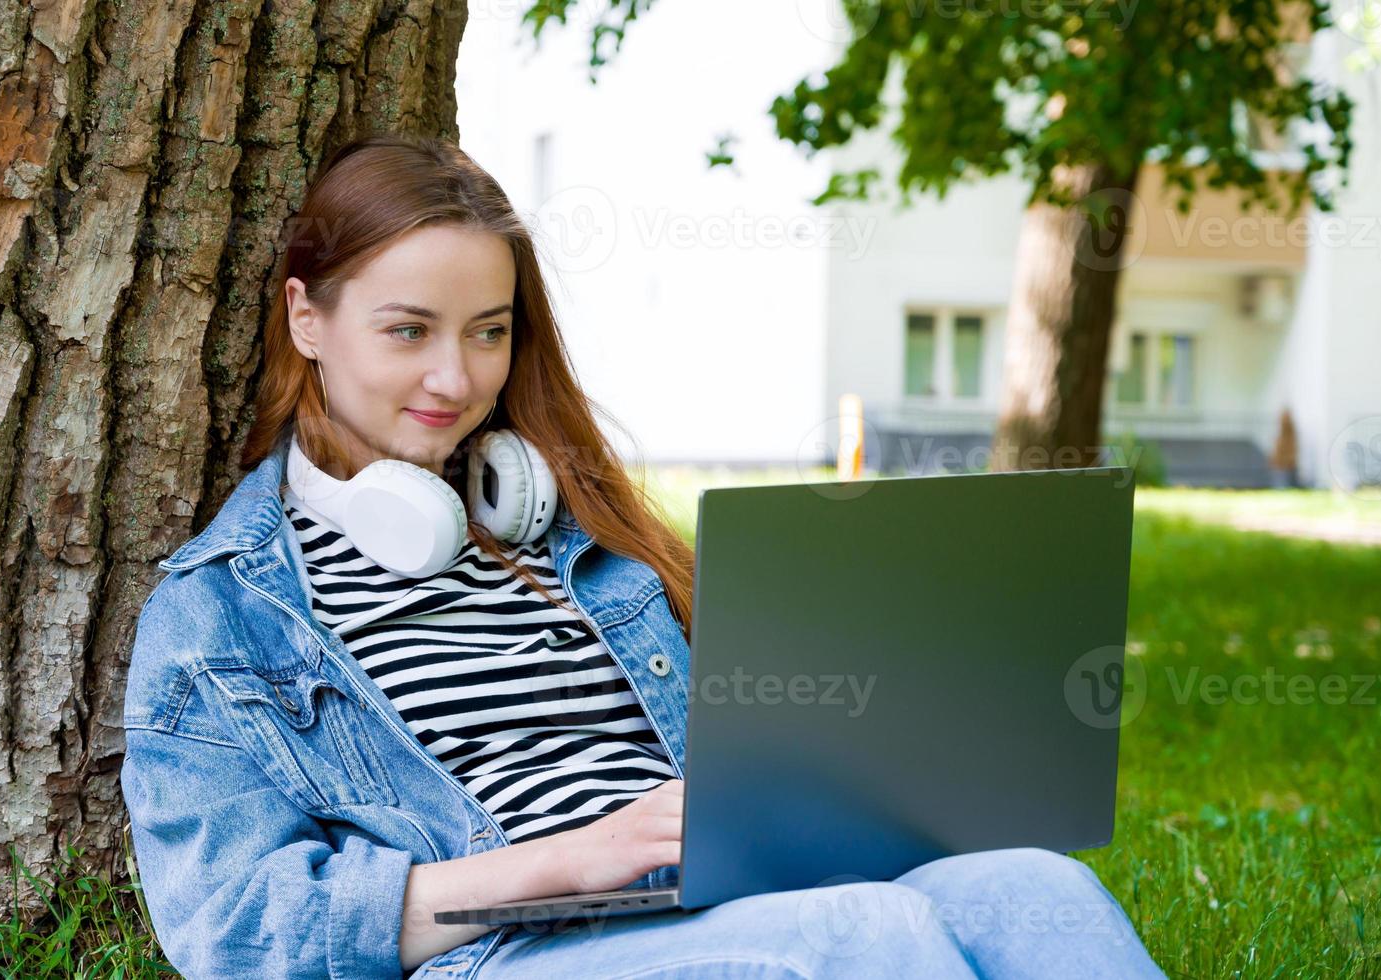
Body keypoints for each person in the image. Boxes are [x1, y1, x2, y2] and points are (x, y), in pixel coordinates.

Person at [120, 133, 1167, 979]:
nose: (456, 375)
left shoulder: (565, 523)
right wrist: (576, 858)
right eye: (408, 331)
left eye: (489, 331)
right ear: (308, 317)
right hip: (507, 951)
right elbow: (235, 930)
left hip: (716, 903)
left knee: (1040, 887)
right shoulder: (223, 614)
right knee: (866, 938)